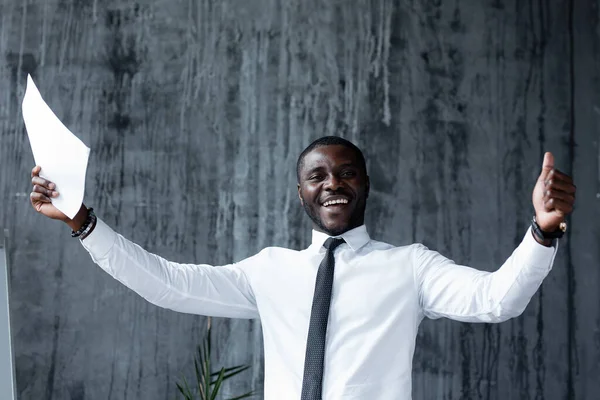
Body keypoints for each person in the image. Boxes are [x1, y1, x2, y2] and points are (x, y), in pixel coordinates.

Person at [29, 136, 576, 399]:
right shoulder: (269, 272)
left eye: (346, 173)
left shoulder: (411, 268)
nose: (332, 183)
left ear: (365, 183)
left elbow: (497, 299)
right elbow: (166, 283)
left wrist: (543, 229)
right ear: (301, 193)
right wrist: (82, 221)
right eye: (318, 176)